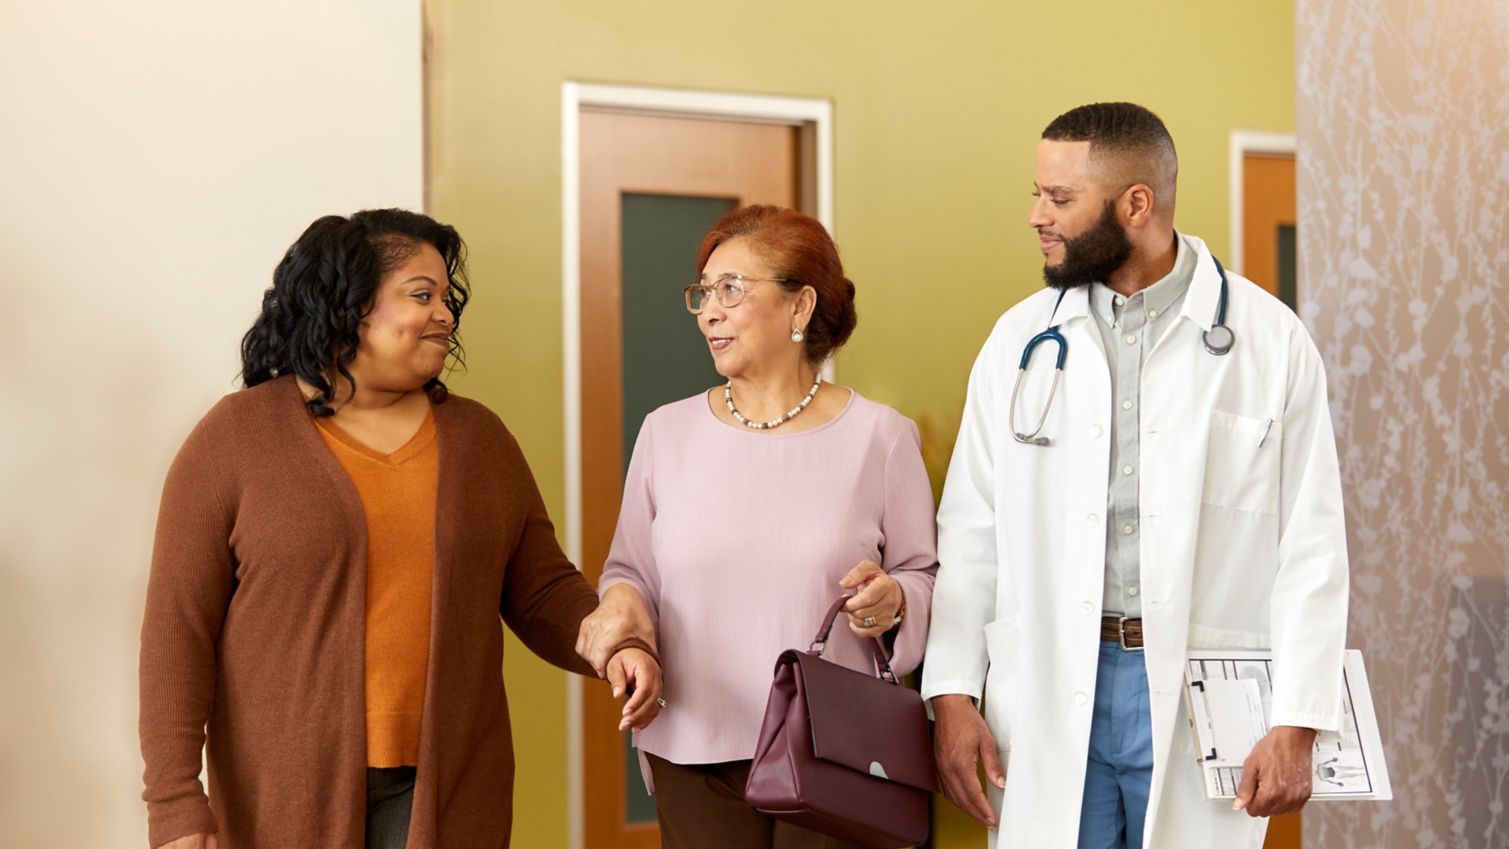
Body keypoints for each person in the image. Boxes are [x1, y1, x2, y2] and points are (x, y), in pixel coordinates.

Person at [138, 209, 661, 849]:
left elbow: (541, 588)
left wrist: (613, 643)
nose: (445, 314)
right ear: (346, 306)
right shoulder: (235, 438)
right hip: (281, 791)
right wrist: (174, 806)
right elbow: (177, 631)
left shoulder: (480, 440)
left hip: (449, 784)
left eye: (447, 297)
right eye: (421, 295)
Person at [921, 103, 1350, 848]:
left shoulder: (1268, 340)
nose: (1035, 216)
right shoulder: (1020, 340)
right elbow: (971, 529)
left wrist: (1298, 717)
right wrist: (952, 692)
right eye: (1037, 194)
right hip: (1054, 673)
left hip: (1194, 684)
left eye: (1058, 199)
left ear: (1135, 204)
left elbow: (1309, 544)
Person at [574, 205, 938, 848]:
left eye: (732, 290)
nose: (709, 310)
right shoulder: (666, 432)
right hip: (692, 745)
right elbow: (630, 571)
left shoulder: (881, 436)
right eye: (704, 293)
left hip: (838, 752)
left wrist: (897, 598)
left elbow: (924, 574)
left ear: (800, 307)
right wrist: (623, 618)